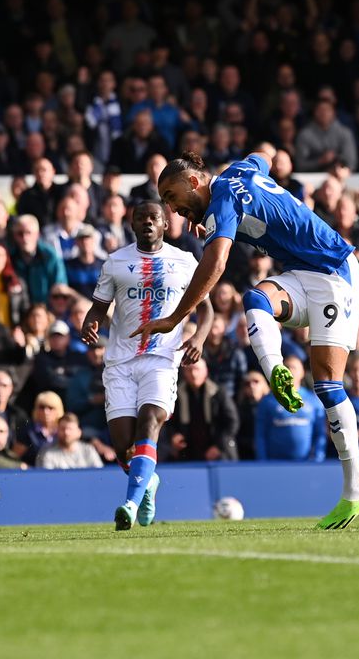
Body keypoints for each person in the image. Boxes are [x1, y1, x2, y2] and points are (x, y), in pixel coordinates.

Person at [138, 149, 359, 528]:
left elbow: (215, 265)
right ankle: (276, 370)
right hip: (300, 272)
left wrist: (175, 318)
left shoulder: (223, 201)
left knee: (328, 386)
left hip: (334, 273)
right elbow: (263, 155)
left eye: (171, 198)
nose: (171, 210)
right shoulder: (238, 171)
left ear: (194, 181)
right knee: (256, 298)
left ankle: (355, 489)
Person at [79, 200, 211, 530]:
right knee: (125, 449)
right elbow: (99, 307)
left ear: (166, 224)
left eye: (154, 218)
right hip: (121, 361)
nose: (147, 223)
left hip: (162, 359)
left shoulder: (184, 261)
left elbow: (205, 310)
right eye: (141, 218)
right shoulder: (116, 262)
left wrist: (198, 339)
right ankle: (147, 483)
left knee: (150, 421)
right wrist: (90, 322)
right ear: (132, 225)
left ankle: (130, 503)